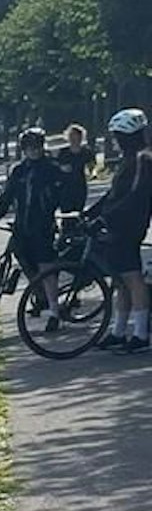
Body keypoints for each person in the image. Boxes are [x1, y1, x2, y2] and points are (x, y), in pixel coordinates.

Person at [0, 127, 64, 325]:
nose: (33, 151)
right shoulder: (19, 171)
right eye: (29, 147)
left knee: (46, 269)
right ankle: (39, 295)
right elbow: (6, 199)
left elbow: (63, 196)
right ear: (24, 149)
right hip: (21, 227)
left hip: (43, 227)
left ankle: (55, 311)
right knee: (26, 263)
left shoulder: (52, 169)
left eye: (37, 147)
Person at [91, 108, 152, 352]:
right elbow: (114, 193)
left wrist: (106, 217)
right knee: (119, 280)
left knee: (132, 277)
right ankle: (119, 330)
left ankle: (140, 334)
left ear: (128, 136)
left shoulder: (142, 159)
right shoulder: (129, 159)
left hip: (129, 225)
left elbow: (135, 195)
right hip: (118, 223)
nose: (115, 140)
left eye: (118, 136)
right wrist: (92, 213)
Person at [57, 124, 97, 213]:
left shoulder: (87, 152)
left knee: (79, 211)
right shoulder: (63, 152)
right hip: (65, 187)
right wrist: (61, 168)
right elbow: (56, 167)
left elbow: (93, 166)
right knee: (66, 212)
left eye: (77, 136)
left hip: (80, 185)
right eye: (71, 136)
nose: (74, 139)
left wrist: (91, 172)